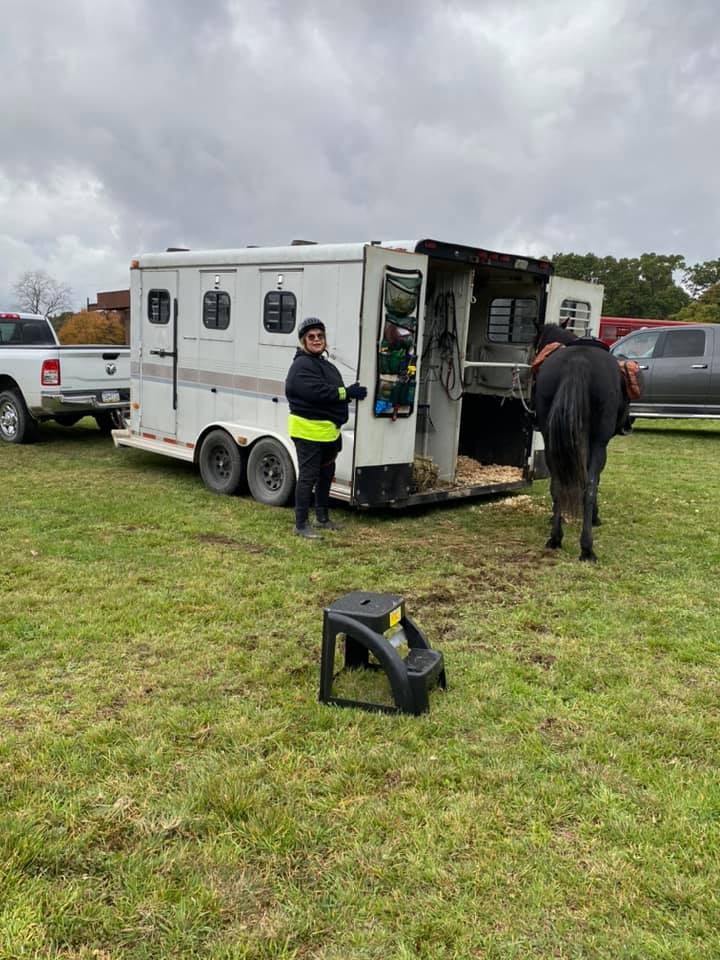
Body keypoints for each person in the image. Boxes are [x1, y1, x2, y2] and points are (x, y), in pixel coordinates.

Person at [285, 317, 368, 538]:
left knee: (326, 475)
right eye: (311, 337)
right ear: (303, 341)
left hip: (328, 433)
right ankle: (301, 525)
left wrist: (346, 393)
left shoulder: (323, 363)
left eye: (320, 336)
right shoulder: (302, 365)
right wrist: (346, 393)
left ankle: (322, 518)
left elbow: (331, 392)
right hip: (308, 432)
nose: (317, 340)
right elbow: (316, 392)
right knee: (308, 478)